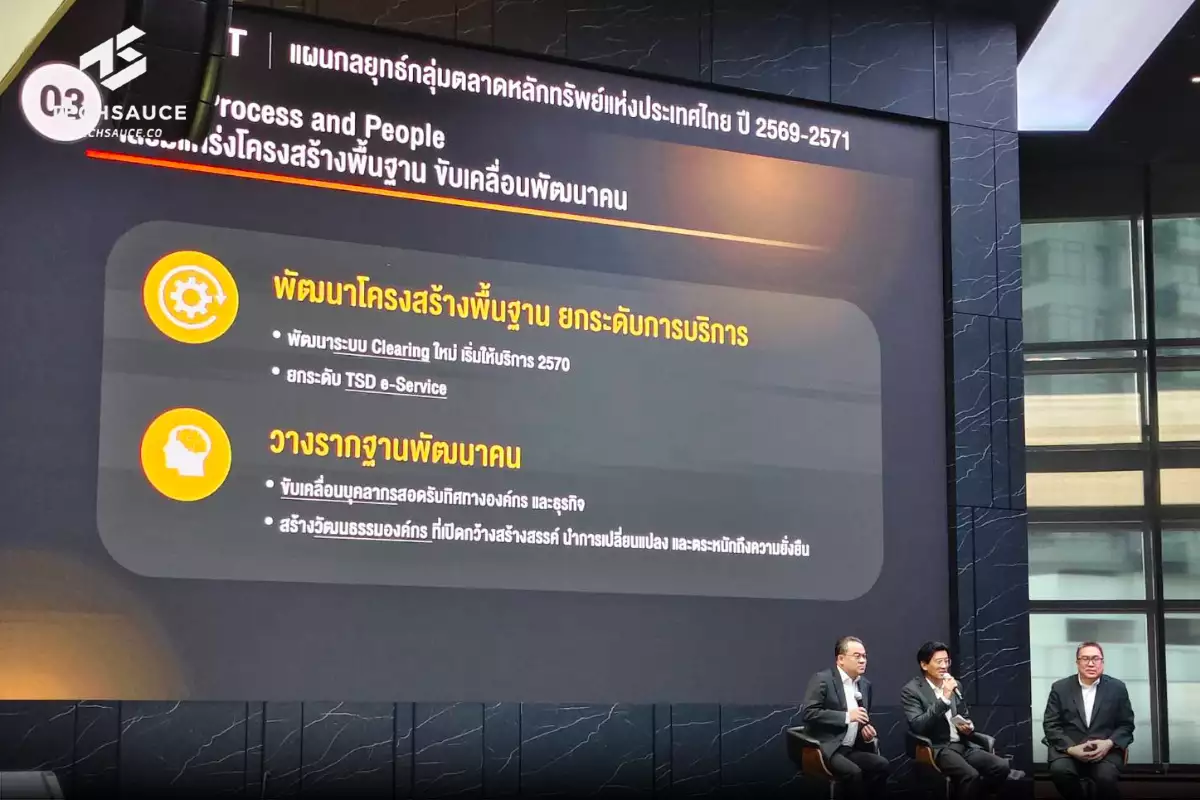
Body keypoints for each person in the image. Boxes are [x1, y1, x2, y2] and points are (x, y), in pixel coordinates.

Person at [900, 641, 1011, 800]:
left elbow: (963, 713)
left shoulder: (955, 684)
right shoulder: (912, 690)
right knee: (970, 775)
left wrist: (967, 725)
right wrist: (944, 698)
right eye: (939, 662)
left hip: (963, 744)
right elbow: (918, 725)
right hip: (939, 748)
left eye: (947, 661)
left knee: (1001, 766)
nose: (944, 666)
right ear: (924, 665)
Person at [1043, 641, 1135, 800]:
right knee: (1061, 772)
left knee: (1105, 778)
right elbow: (1051, 725)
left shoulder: (1117, 688)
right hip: (1068, 751)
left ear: (1102, 662)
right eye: (1085, 659)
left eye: (1096, 659)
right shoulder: (1060, 688)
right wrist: (1071, 749)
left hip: (1105, 751)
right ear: (1077, 662)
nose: (1091, 663)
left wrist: (1108, 743)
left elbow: (1126, 725)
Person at [801, 636, 889, 800]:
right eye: (857, 656)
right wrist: (847, 716)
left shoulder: (865, 685)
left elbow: (860, 719)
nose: (862, 660)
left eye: (864, 656)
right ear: (841, 659)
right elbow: (809, 713)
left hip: (851, 748)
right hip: (827, 747)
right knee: (853, 773)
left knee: (881, 765)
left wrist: (865, 731)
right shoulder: (823, 679)